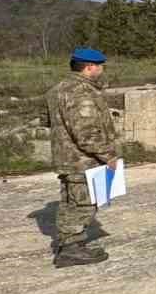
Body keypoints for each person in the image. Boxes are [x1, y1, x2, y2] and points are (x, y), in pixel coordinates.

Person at [46, 47, 120, 268]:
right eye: (100, 66)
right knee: (84, 204)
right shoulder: (81, 92)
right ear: (90, 67)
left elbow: (47, 120)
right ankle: (71, 249)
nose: (102, 69)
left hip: (68, 157)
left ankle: (70, 244)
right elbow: (86, 133)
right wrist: (108, 155)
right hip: (83, 160)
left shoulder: (56, 89)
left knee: (71, 203)